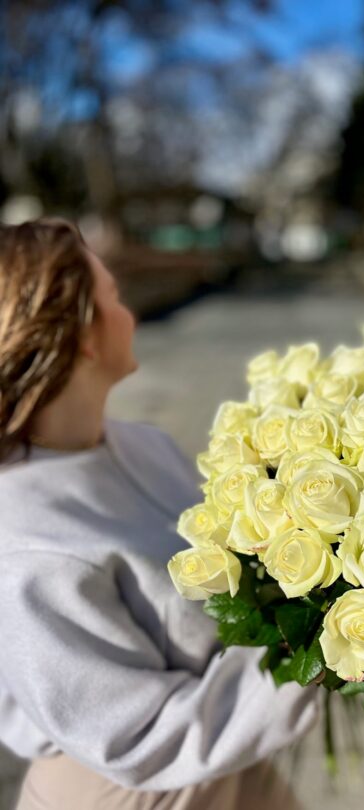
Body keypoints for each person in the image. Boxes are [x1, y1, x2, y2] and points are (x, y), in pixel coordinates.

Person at [0, 219, 318, 809]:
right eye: (114, 298)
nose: (130, 313)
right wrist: (323, 659)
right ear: (84, 338)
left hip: (227, 736)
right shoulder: (25, 552)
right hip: (127, 788)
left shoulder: (137, 443)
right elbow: (139, 735)